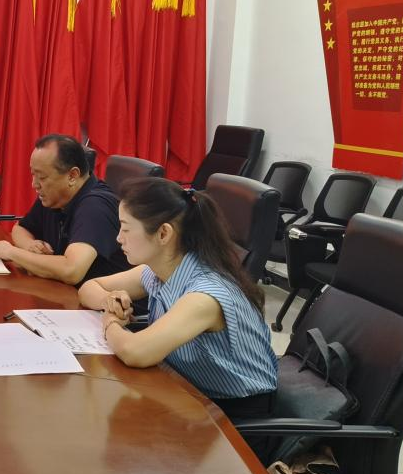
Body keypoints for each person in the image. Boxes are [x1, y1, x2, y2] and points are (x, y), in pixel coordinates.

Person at [78, 177, 278, 430]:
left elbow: (135, 352)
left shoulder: (204, 296)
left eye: (126, 229)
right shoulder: (157, 271)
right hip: (187, 394)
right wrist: (110, 300)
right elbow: (88, 288)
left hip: (234, 420)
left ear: (163, 233)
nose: (119, 238)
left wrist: (110, 322)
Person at [0, 134, 129, 285]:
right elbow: (20, 228)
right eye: (33, 175)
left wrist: (12, 253)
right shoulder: (55, 196)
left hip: (103, 298)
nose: (34, 184)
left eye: (42, 177)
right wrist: (30, 246)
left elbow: (71, 270)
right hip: (63, 291)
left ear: (72, 176)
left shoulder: (96, 207)